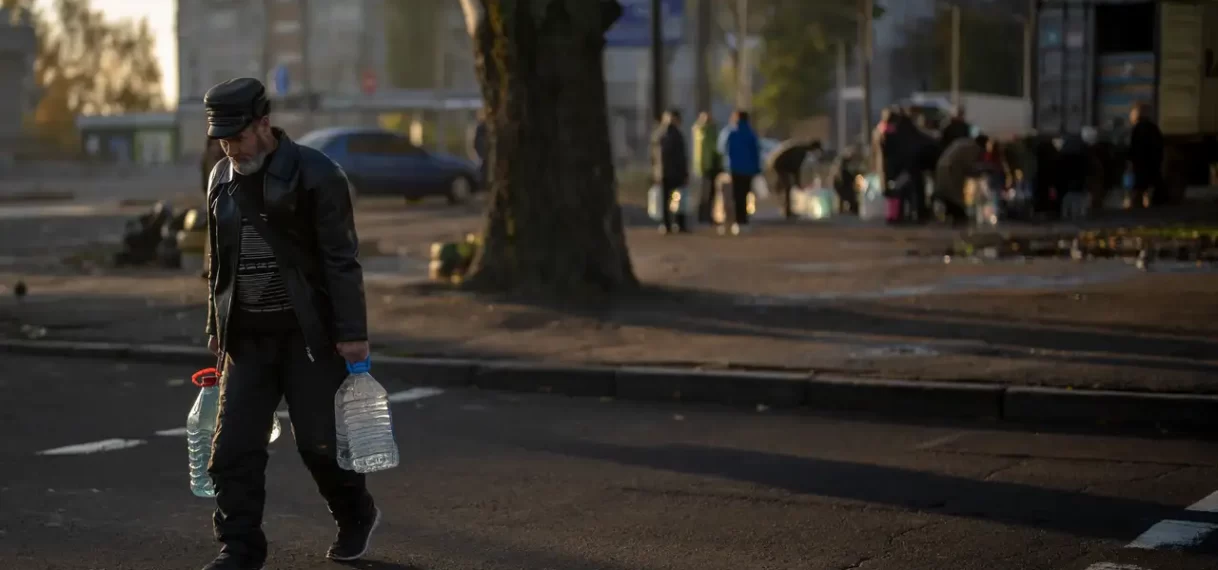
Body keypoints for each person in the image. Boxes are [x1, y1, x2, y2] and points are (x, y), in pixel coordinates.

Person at [201, 77, 378, 570]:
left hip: (310, 336)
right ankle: (239, 549)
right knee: (232, 450)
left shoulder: (318, 174)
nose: (231, 148)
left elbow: (341, 259)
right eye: (222, 139)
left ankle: (355, 513)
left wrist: (353, 332)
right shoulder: (221, 179)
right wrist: (215, 323)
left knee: (320, 446)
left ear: (264, 124)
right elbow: (216, 261)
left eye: (237, 137)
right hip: (247, 338)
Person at [718, 110, 761, 235]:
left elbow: (721, 148)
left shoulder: (729, 132)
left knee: (736, 196)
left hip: (734, 169)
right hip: (749, 170)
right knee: (745, 195)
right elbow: (756, 152)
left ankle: (736, 222)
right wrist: (757, 168)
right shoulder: (750, 133)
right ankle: (744, 221)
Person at [650, 108, 690, 233]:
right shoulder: (673, 135)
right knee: (677, 199)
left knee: (667, 200)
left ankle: (668, 224)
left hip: (665, 172)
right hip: (673, 172)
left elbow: (654, 157)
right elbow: (680, 156)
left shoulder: (660, 134)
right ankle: (678, 224)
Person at [766, 137, 822, 219]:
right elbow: (795, 168)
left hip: (782, 164)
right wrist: (797, 182)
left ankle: (786, 207)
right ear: (814, 148)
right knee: (788, 186)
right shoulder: (801, 152)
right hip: (781, 165)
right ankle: (788, 211)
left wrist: (796, 181)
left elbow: (794, 168)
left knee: (787, 186)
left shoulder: (801, 149)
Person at [1127, 102, 1164, 208]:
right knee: (1149, 188)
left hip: (1140, 166)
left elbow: (1132, 148)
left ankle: (1138, 208)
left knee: (1138, 188)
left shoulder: (1137, 129)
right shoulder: (1154, 128)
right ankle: (1149, 205)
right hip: (1153, 165)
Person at [691, 111, 722, 224]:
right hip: (706, 167)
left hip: (710, 166)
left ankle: (707, 215)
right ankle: (704, 216)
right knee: (706, 193)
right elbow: (714, 148)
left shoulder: (706, 131)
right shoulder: (704, 131)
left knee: (710, 193)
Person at [468, 109, 490, 189]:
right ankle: (481, 184)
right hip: (482, 152)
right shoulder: (481, 127)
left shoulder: (481, 127)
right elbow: (476, 142)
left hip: (482, 152)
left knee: (482, 168)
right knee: (482, 168)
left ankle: (481, 184)